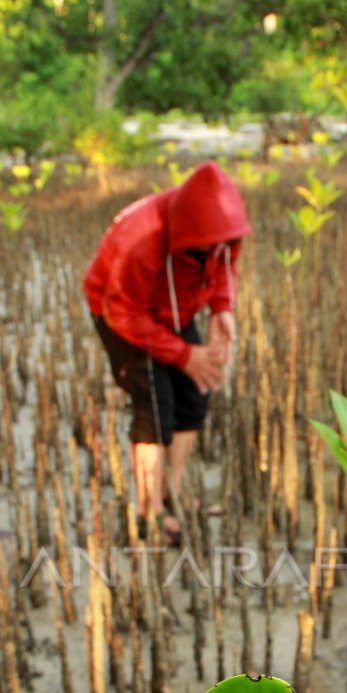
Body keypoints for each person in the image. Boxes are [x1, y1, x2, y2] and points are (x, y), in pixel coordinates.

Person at [83, 160, 251, 543]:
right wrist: (183, 355)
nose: (216, 248)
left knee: (195, 394)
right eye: (206, 243)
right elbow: (121, 312)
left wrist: (222, 308)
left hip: (176, 309)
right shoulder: (141, 238)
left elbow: (224, 263)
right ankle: (150, 512)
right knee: (155, 405)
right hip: (122, 315)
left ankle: (171, 492)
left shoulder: (223, 233)